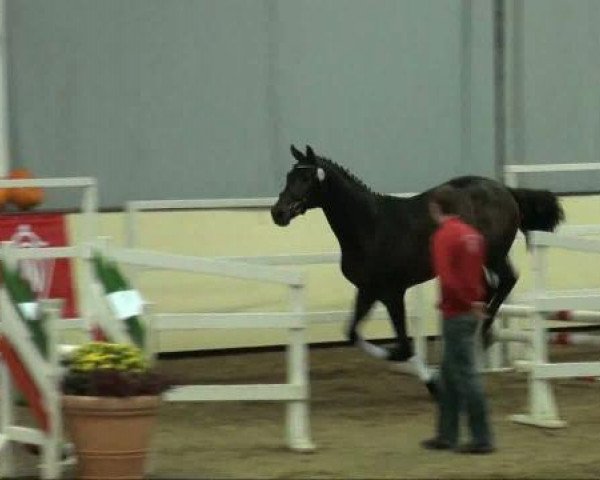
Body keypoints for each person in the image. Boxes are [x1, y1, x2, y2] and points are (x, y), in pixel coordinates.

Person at [421, 184, 495, 454]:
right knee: (450, 376)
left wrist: (466, 303)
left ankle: (481, 437)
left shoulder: (443, 236)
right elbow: (478, 275)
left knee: (465, 375)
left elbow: (448, 279)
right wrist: (477, 301)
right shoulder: (473, 235)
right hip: (470, 310)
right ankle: (446, 435)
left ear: (435, 208)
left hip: (456, 312)